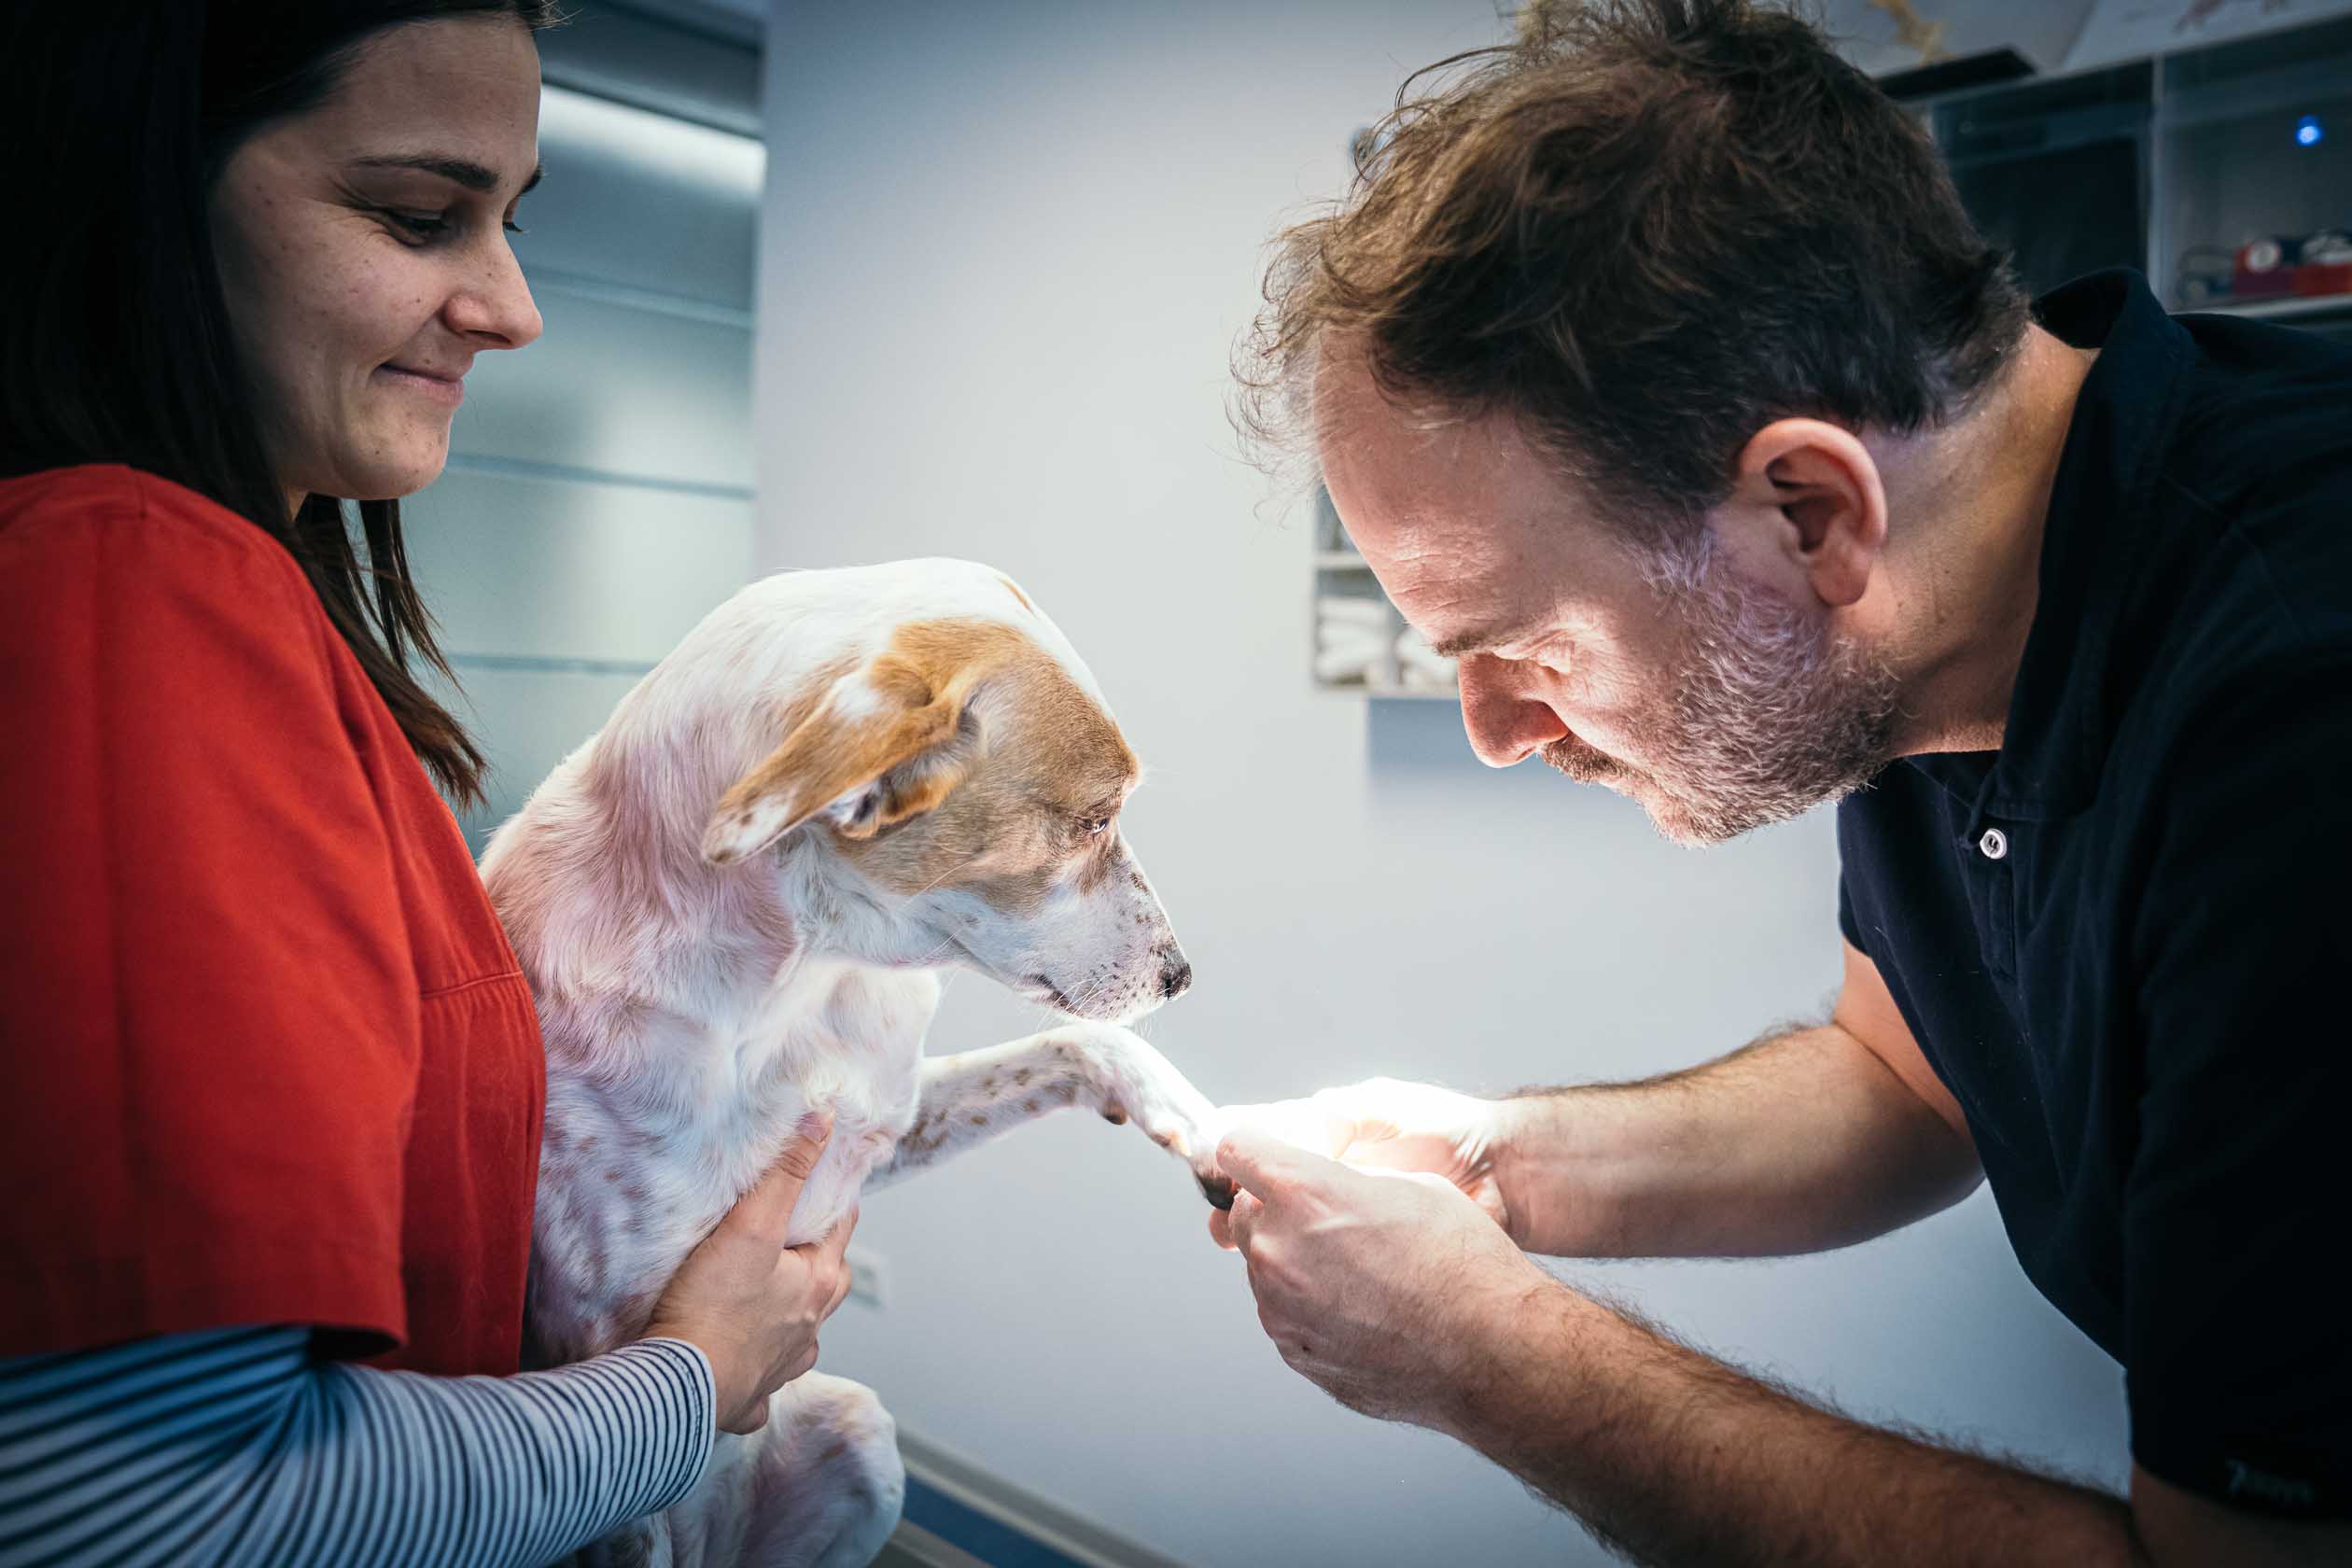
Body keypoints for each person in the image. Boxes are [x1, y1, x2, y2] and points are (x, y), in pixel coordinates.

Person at [1214, 2, 2352, 1563]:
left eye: (1529, 645)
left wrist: (1489, 1356)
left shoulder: (2297, 725)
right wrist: (1493, 1157)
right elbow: (1907, 1078)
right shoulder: (1924, 622)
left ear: (1810, 509)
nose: (1496, 728)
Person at [0, 5, 856, 1562]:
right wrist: (697, 1378)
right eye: (414, 216)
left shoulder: (231, 606)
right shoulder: (133, 587)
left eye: (510, 222)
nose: (513, 309)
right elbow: (151, 1508)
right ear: (138, 195)